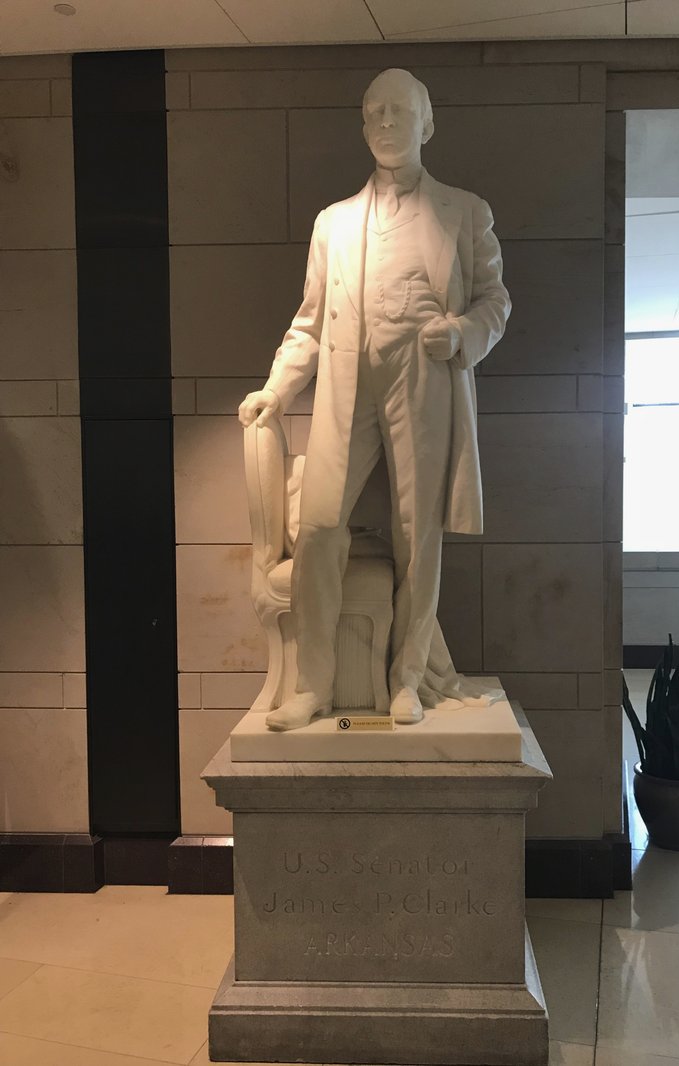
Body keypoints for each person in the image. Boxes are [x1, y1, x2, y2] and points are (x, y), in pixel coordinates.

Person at [239, 68, 510, 731]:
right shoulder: (333, 223)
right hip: (348, 384)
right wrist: (276, 389)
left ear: (427, 124)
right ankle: (313, 685)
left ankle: (407, 680)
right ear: (364, 128)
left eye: (400, 111)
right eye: (375, 113)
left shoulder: (465, 212)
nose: (387, 122)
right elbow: (308, 321)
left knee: (419, 536)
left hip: (423, 380)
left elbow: (495, 302)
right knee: (321, 526)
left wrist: (463, 331)